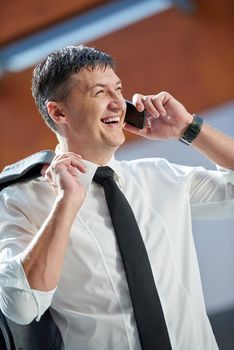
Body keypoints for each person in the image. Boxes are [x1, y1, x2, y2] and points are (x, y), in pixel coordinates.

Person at [0, 45, 233, 350]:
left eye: (118, 90)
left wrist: (189, 128)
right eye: (99, 93)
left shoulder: (159, 177)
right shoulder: (20, 198)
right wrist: (65, 205)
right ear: (58, 112)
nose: (118, 104)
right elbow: (20, 305)